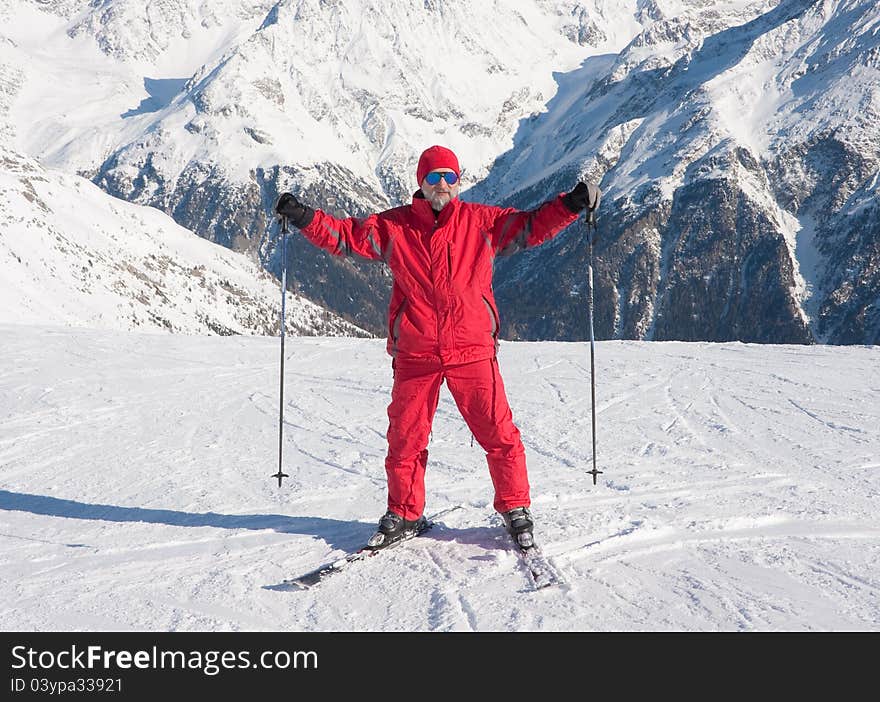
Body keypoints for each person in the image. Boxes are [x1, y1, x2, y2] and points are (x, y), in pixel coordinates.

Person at [276, 145, 600, 549]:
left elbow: (531, 226)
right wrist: (305, 218)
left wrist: (570, 205)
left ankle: (515, 506)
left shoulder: (482, 222)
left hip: (472, 349)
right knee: (405, 439)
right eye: (433, 177)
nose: (441, 184)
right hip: (416, 352)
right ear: (421, 182)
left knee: (498, 433)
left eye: (448, 176)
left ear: (458, 180)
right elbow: (345, 237)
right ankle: (404, 512)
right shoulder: (394, 227)